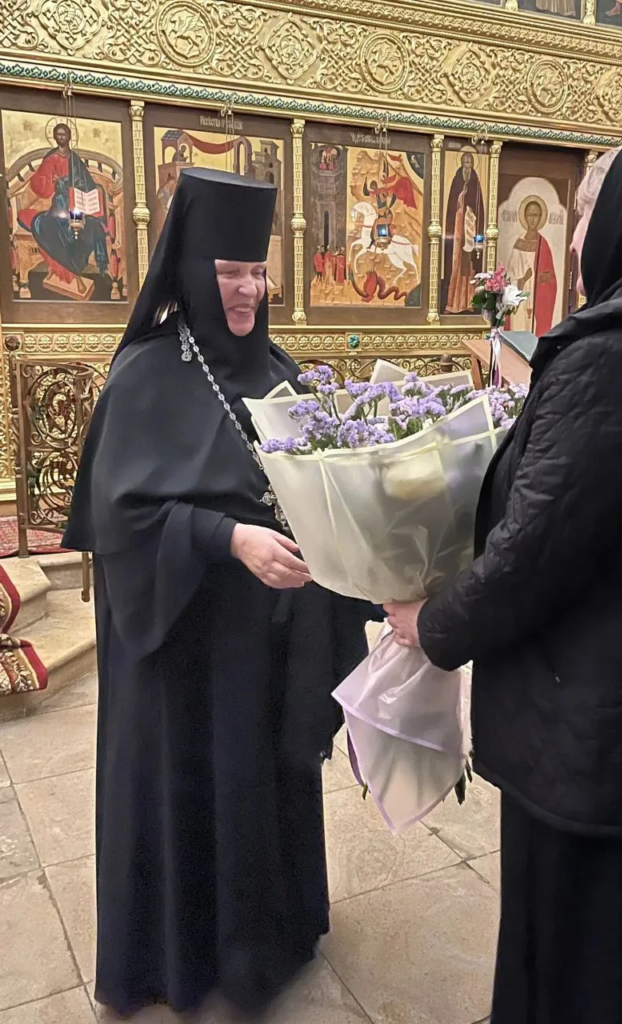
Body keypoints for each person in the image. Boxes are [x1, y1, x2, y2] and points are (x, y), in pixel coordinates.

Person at [385, 138, 622, 1023]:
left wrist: (430, 625)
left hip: (598, 729)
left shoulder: (617, 355)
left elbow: (534, 551)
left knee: (593, 953)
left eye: (586, 210)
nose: (577, 232)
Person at [63, 167, 374, 1017]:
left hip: (267, 639)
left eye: (257, 271)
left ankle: (269, 941)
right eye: (229, 272)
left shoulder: (280, 370)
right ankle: (183, 958)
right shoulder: (144, 375)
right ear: (194, 271)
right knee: (195, 789)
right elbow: (121, 519)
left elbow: (320, 484)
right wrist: (228, 538)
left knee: (259, 785)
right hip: (183, 647)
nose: (246, 289)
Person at [18, 122, 110, 293]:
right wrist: (54, 183)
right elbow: (40, 184)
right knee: (53, 228)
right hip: (60, 205)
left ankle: (83, 267)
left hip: (78, 203)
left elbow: (88, 182)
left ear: (69, 136)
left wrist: (82, 190)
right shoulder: (51, 158)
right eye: (59, 134)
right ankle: (70, 270)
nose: (62, 137)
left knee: (92, 226)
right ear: (54, 137)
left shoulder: (75, 159)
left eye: (64, 134)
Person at [507, 198, 558, 335]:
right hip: (519, 296)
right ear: (525, 217)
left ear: (540, 218)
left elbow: (551, 279)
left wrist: (539, 278)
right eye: (530, 215)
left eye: (536, 215)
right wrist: (521, 280)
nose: (532, 219)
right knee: (518, 328)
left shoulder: (543, 245)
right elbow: (510, 274)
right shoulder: (519, 243)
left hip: (536, 299)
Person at [444, 151, 486, 314]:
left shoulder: (475, 181)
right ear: (461, 164)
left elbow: (479, 208)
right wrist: (461, 200)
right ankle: (453, 303)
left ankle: (469, 302)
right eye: (465, 163)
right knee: (456, 264)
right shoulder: (456, 180)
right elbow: (451, 206)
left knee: (469, 266)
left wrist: (471, 215)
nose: (467, 166)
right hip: (457, 230)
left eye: (469, 163)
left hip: (470, 229)